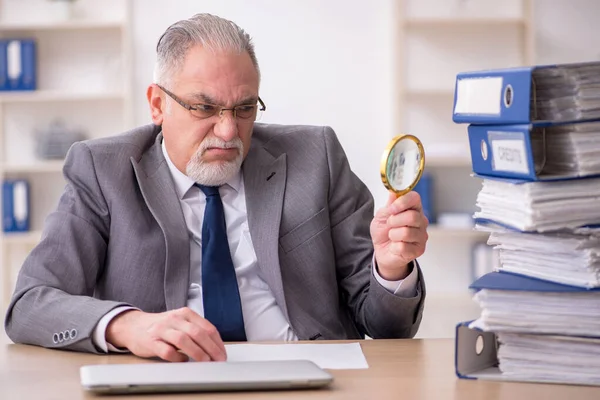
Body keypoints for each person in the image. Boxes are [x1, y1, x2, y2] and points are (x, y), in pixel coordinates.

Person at [4, 13, 428, 363]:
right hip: (170, 379)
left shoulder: (315, 157)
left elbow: (387, 327)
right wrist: (129, 325)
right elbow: (29, 304)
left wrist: (391, 270)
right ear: (157, 104)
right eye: (204, 107)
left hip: (310, 375)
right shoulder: (103, 170)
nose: (228, 131)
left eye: (245, 109)